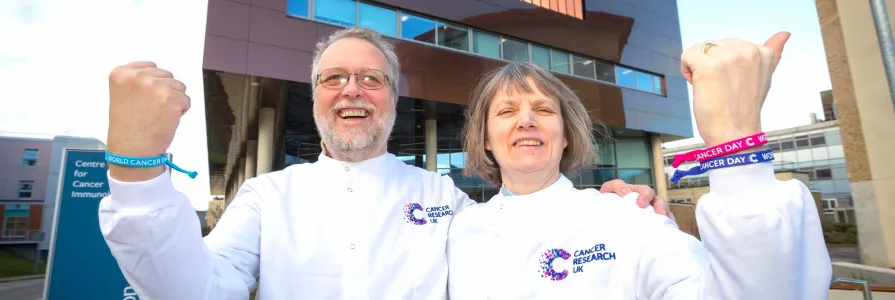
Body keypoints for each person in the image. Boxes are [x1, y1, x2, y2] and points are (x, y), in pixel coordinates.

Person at [98, 27, 666, 299]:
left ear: (394, 98)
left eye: (371, 78)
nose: (352, 90)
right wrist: (136, 173)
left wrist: (605, 206)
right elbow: (193, 291)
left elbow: (526, 240)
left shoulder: (444, 198)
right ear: (315, 97)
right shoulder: (267, 196)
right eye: (334, 78)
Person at [446, 32, 832, 299]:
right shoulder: (457, 227)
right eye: (507, 112)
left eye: (544, 109)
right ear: (485, 138)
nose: (526, 121)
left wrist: (735, 146)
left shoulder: (627, 216)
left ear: (565, 136)